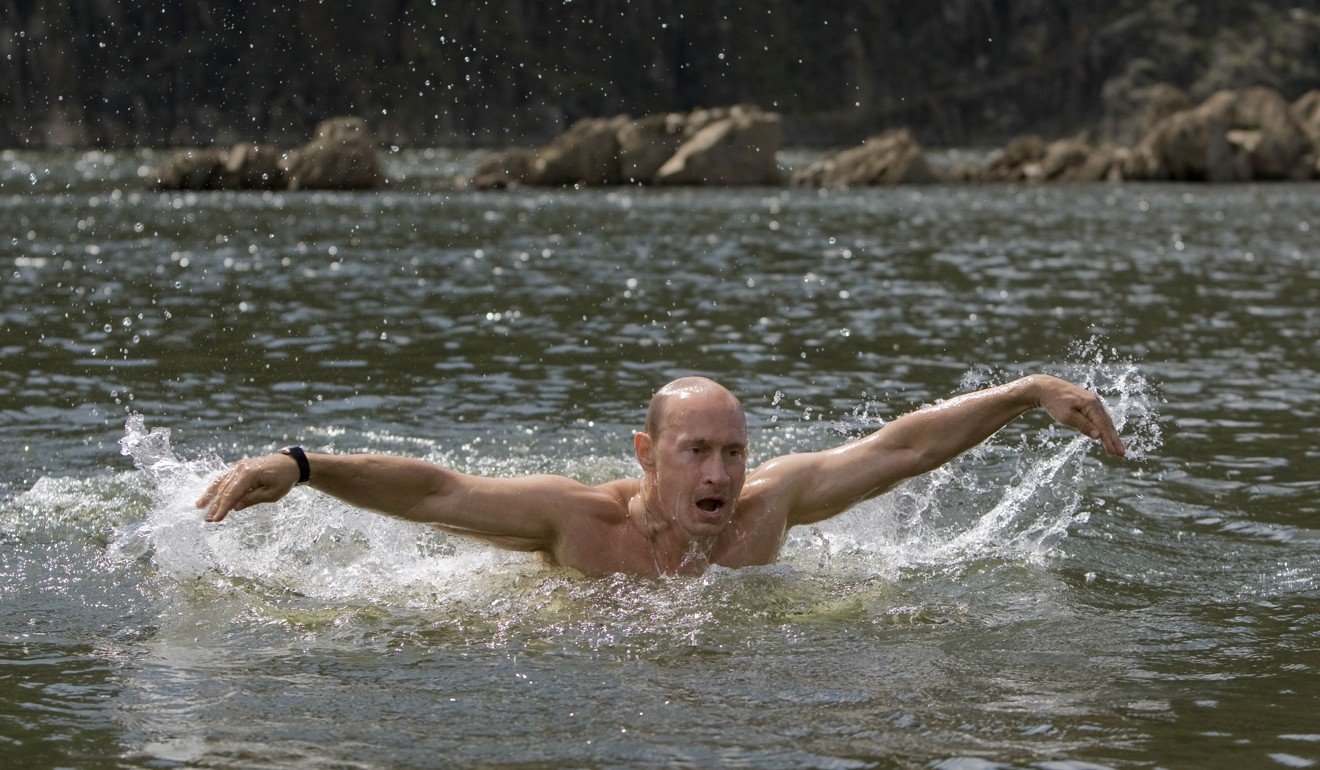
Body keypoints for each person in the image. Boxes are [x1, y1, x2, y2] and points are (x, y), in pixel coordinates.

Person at [198, 374, 1125, 577]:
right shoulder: (577, 522)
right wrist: (304, 465)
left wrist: (1030, 392)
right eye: (697, 451)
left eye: (732, 451)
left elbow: (900, 449)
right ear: (647, 456)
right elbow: (438, 492)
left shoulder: (769, 511)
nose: (721, 472)